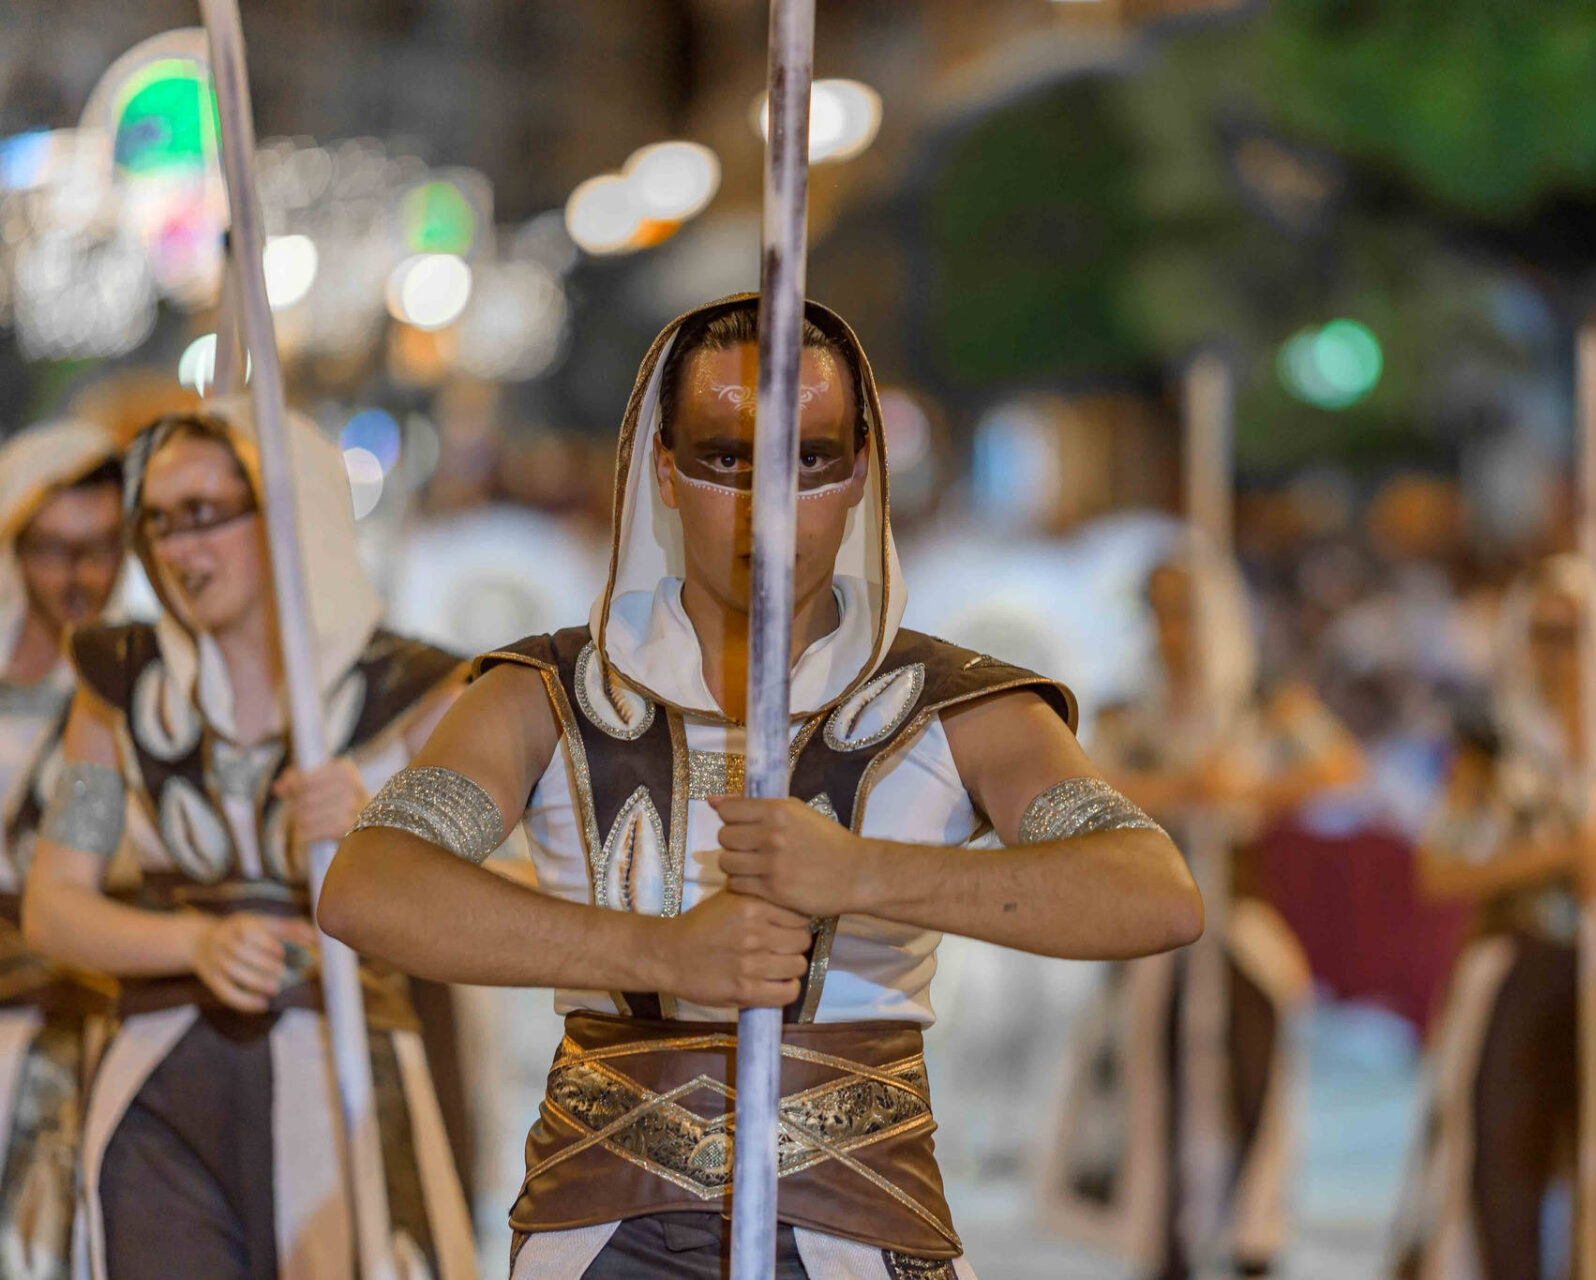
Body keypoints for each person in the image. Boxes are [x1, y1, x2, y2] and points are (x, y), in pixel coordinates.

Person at [317, 295, 1205, 1280]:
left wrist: (861, 872)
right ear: (663, 466)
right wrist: (662, 951)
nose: (767, 506)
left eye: (809, 460)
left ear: (861, 468)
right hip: (601, 1230)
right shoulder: (545, 695)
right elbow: (369, 884)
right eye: (725, 458)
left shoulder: (953, 703)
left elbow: (1152, 891)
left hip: (863, 1225)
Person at [23, 405, 478, 1280]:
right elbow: (55, 904)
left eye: (205, 515)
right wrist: (195, 943)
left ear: (290, 510)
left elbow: (492, 912)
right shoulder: (119, 691)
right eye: (159, 521)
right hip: (160, 1092)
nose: (179, 550)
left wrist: (377, 836)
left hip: (348, 1088)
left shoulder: (416, 696)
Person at [1042, 550, 1363, 1279]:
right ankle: (1162, 1237)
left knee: (1257, 1058)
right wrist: (1182, 788)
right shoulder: (1131, 712)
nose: (1172, 631)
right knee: (1154, 1076)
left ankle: (1253, 1228)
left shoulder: (1258, 701)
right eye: (1160, 613)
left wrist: (1248, 791)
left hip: (1238, 913)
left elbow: (1338, 764)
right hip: (1158, 919)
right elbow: (1086, 787)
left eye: (1184, 613)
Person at [1393, 552, 1596, 1280]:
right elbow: (1439, 868)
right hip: (1516, 961)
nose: (1558, 654)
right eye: (1542, 633)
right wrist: (1556, 855)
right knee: (1500, 1162)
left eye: (1573, 634)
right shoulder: (1491, 752)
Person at [0, 419, 124, 1280]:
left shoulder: (143, 686)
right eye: (54, 549)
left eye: (102, 547)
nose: (81, 575)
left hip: (99, 1019)